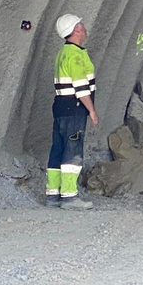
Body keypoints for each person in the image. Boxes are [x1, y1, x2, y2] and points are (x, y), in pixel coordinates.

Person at [47, 13, 97, 209]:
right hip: (75, 108)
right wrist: (92, 111)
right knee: (73, 150)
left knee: (57, 149)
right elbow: (81, 88)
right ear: (76, 30)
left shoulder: (62, 53)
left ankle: (53, 195)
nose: (85, 28)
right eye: (82, 25)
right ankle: (69, 197)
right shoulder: (75, 55)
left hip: (60, 107)